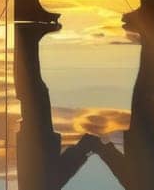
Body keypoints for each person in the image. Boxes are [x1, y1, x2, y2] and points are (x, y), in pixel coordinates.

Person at [13, 22, 105, 190]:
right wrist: (85, 147)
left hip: (37, 141)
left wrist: (86, 146)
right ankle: (27, 39)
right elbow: (62, 172)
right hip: (35, 141)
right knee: (32, 91)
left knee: (32, 89)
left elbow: (62, 172)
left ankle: (26, 37)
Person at [95, 18, 154, 190]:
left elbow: (121, 170)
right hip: (146, 136)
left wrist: (102, 148)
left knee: (150, 87)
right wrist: (100, 148)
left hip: (145, 136)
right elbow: (121, 170)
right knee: (149, 87)